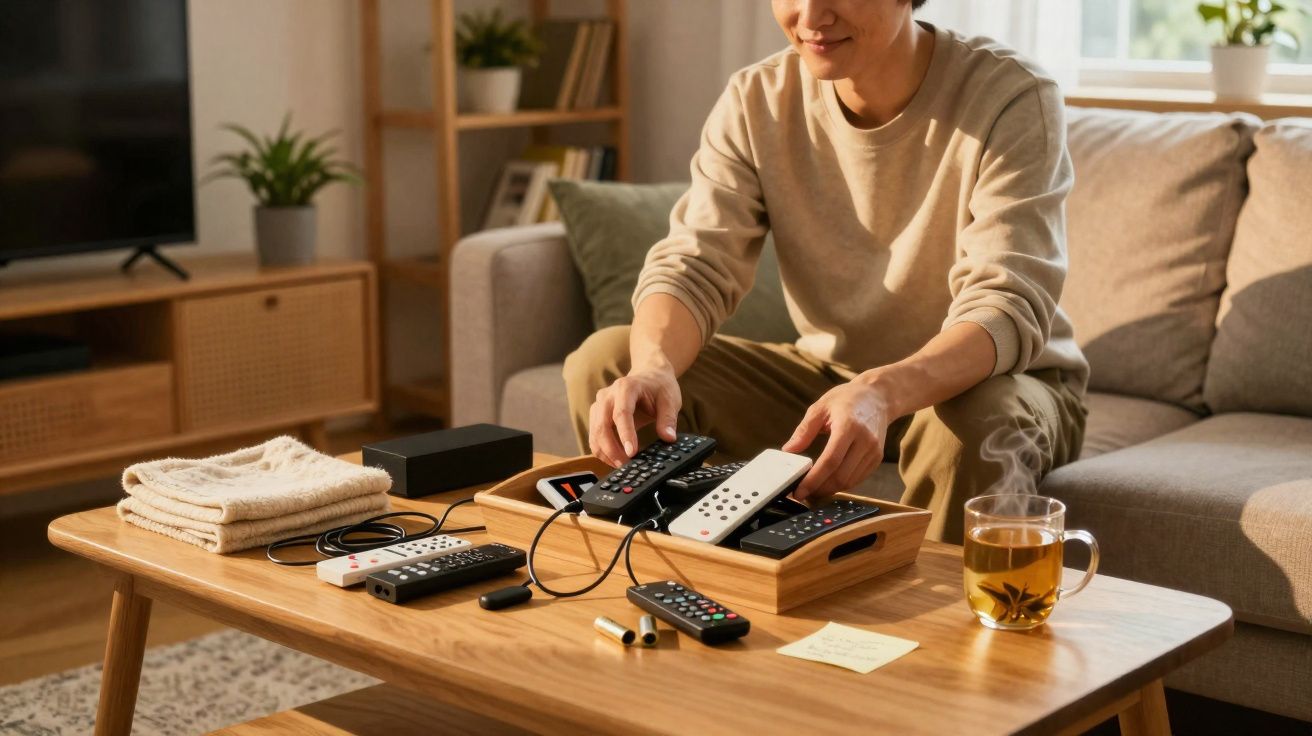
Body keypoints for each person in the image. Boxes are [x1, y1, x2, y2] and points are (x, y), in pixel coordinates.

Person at [563, 0, 1089, 544]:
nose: (810, 16)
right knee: (610, 366)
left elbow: (1005, 303)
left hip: (991, 383)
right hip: (828, 379)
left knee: (970, 426)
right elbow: (695, 261)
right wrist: (653, 366)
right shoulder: (757, 98)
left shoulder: (1012, 95)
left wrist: (882, 392)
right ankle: (677, 582)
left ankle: (931, 623)